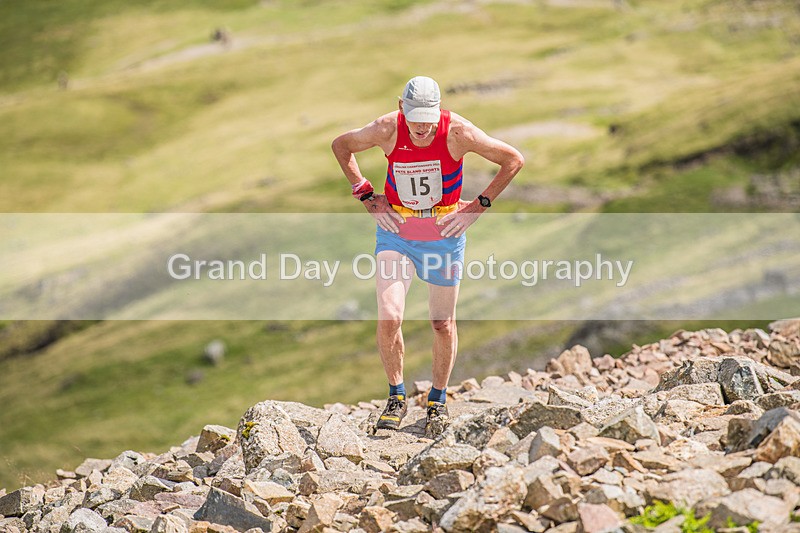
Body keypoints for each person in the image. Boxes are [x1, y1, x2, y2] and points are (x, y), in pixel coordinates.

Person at [331, 76, 524, 436]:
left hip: (443, 235)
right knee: (390, 317)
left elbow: (513, 160)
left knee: (442, 323)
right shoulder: (387, 128)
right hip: (397, 233)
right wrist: (366, 195)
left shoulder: (458, 132)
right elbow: (341, 146)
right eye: (415, 118)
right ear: (402, 107)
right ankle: (396, 397)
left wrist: (477, 208)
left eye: (428, 119)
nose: (421, 128)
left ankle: (437, 399)